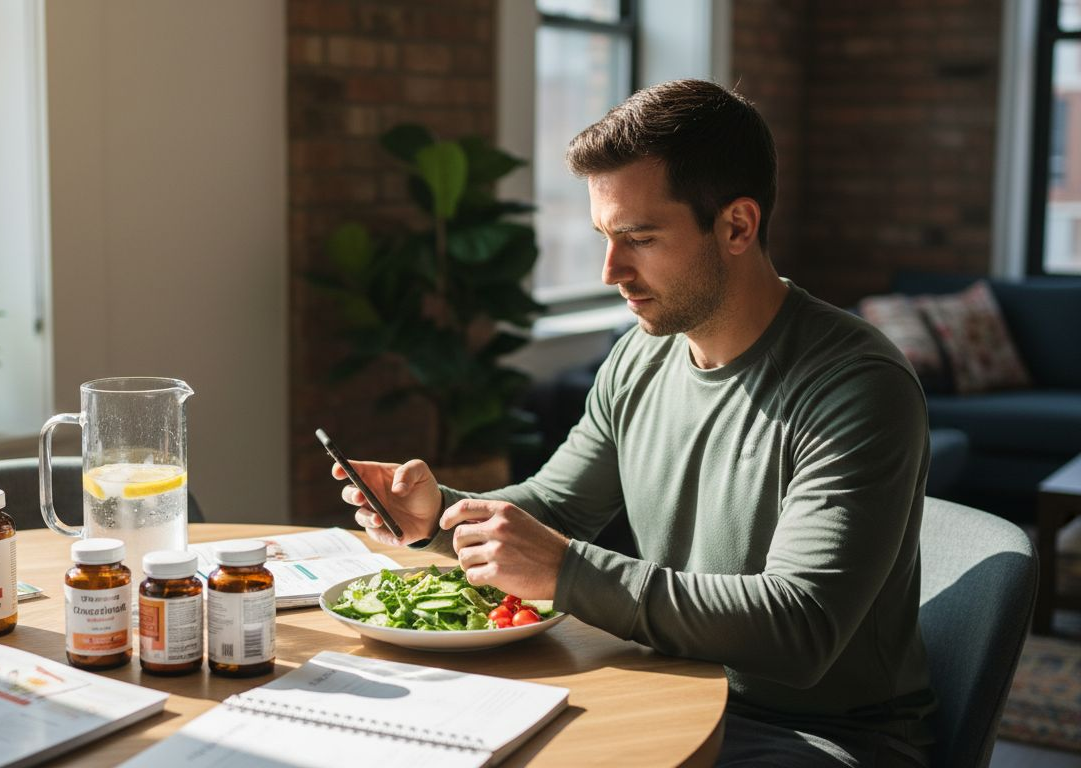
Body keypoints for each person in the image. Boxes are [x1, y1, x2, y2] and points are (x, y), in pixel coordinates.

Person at [332, 79, 935, 767]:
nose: (611, 270)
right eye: (604, 237)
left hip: (822, 738)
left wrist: (567, 570)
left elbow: (798, 630)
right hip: (674, 682)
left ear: (738, 225)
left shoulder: (857, 386)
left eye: (639, 238)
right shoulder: (640, 355)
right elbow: (557, 505)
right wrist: (436, 513)